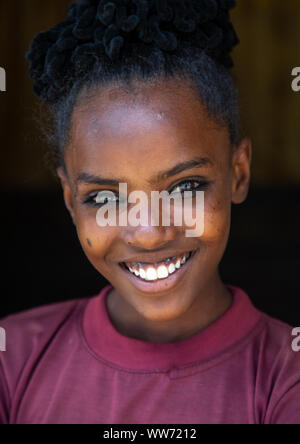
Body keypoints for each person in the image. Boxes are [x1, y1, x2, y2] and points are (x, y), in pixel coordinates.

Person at [0, 0, 299, 424]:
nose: (148, 233)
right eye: (105, 197)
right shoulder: (13, 357)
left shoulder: (285, 378)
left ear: (238, 173)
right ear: (69, 198)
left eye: (185, 187)